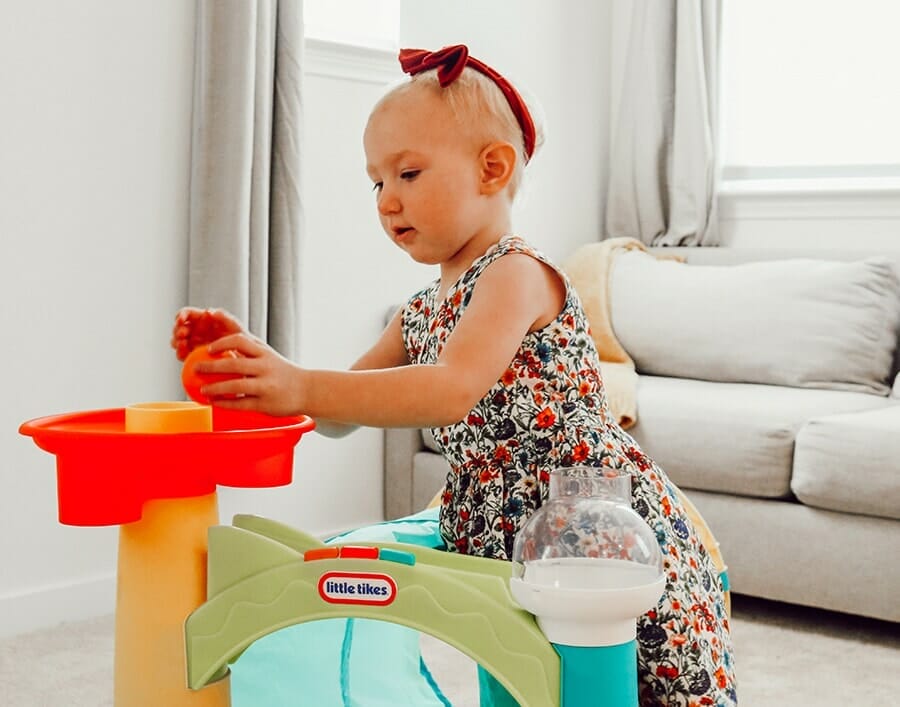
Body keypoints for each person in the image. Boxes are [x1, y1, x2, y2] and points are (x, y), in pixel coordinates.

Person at [172, 44, 737, 707]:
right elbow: (337, 413)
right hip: (495, 527)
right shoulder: (418, 313)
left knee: (612, 679)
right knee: (515, 670)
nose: (387, 200)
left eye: (407, 172)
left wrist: (300, 383)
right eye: (376, 182)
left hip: (584, 524)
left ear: (491, 169)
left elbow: (450, 385)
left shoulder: (515, 273)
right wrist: (256, 370)